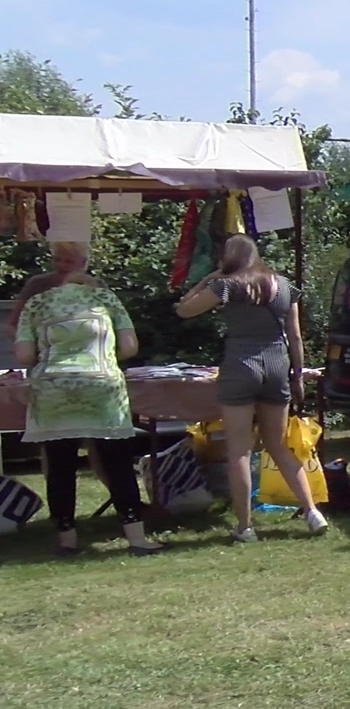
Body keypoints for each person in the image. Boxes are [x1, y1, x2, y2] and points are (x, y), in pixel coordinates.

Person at [175, 235, 329, 541]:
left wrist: (208, 278)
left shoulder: (228, 285)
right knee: (278, 445)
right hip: (277, 366)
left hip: (241, 365)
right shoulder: (285, 287)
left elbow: (184, 309)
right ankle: (312, 512)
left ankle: (245, 527)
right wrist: (297, 374)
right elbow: (296, 337)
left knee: (239, 451)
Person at [15, 243, 164, 557]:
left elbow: (25, 354)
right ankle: (136, 537)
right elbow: (129, 347)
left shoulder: (37, 302)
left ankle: (67, 540)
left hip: (52, 388)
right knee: (118, 464)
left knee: (59, 466)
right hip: (102, 388)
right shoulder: (106, 298)